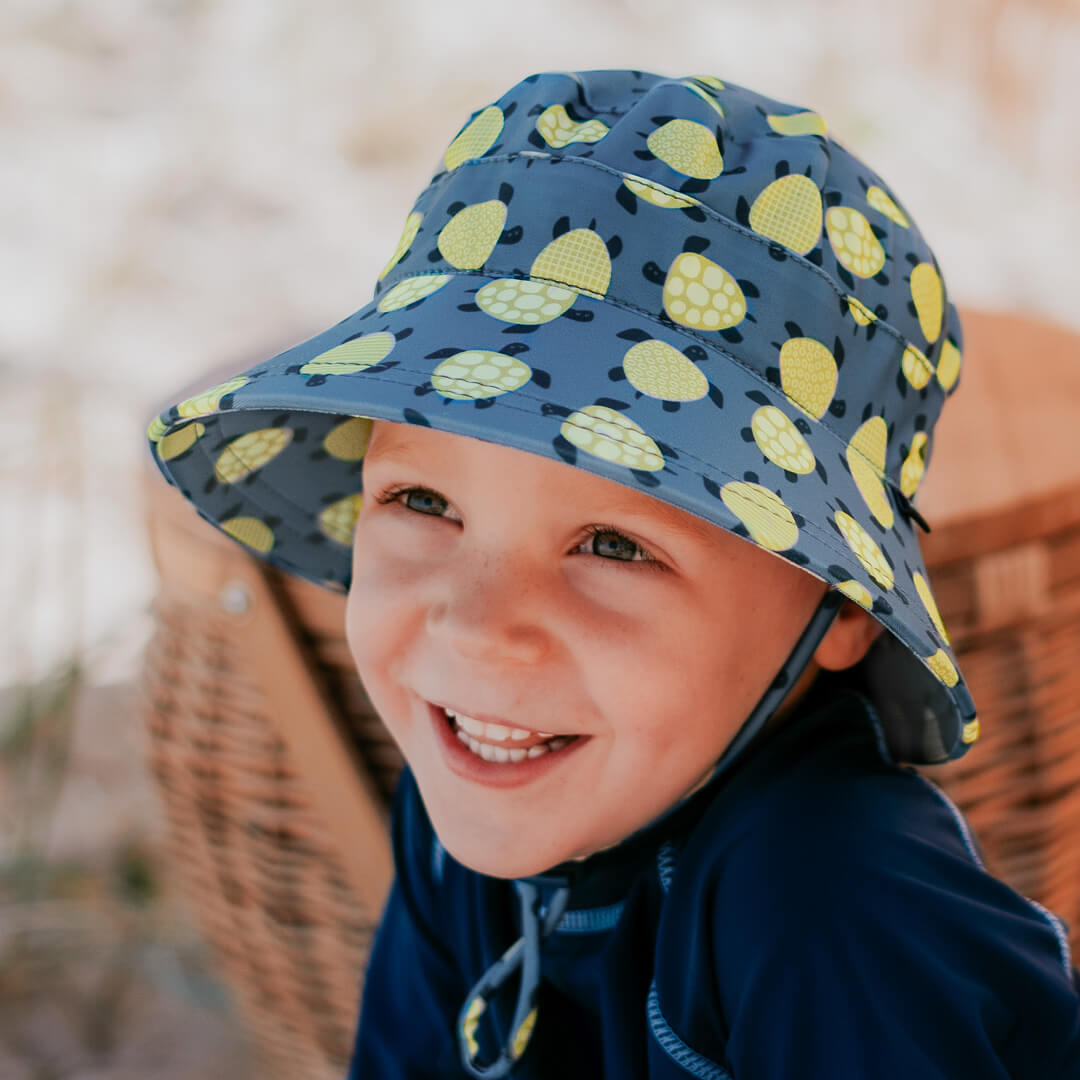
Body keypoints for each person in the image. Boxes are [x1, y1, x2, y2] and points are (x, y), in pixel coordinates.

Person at [145, 69, 1080, 1077]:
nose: (476, 630)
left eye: (614, 545)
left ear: (841, 601)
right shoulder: (468, 790)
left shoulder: (837, 917)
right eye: (422, 500)